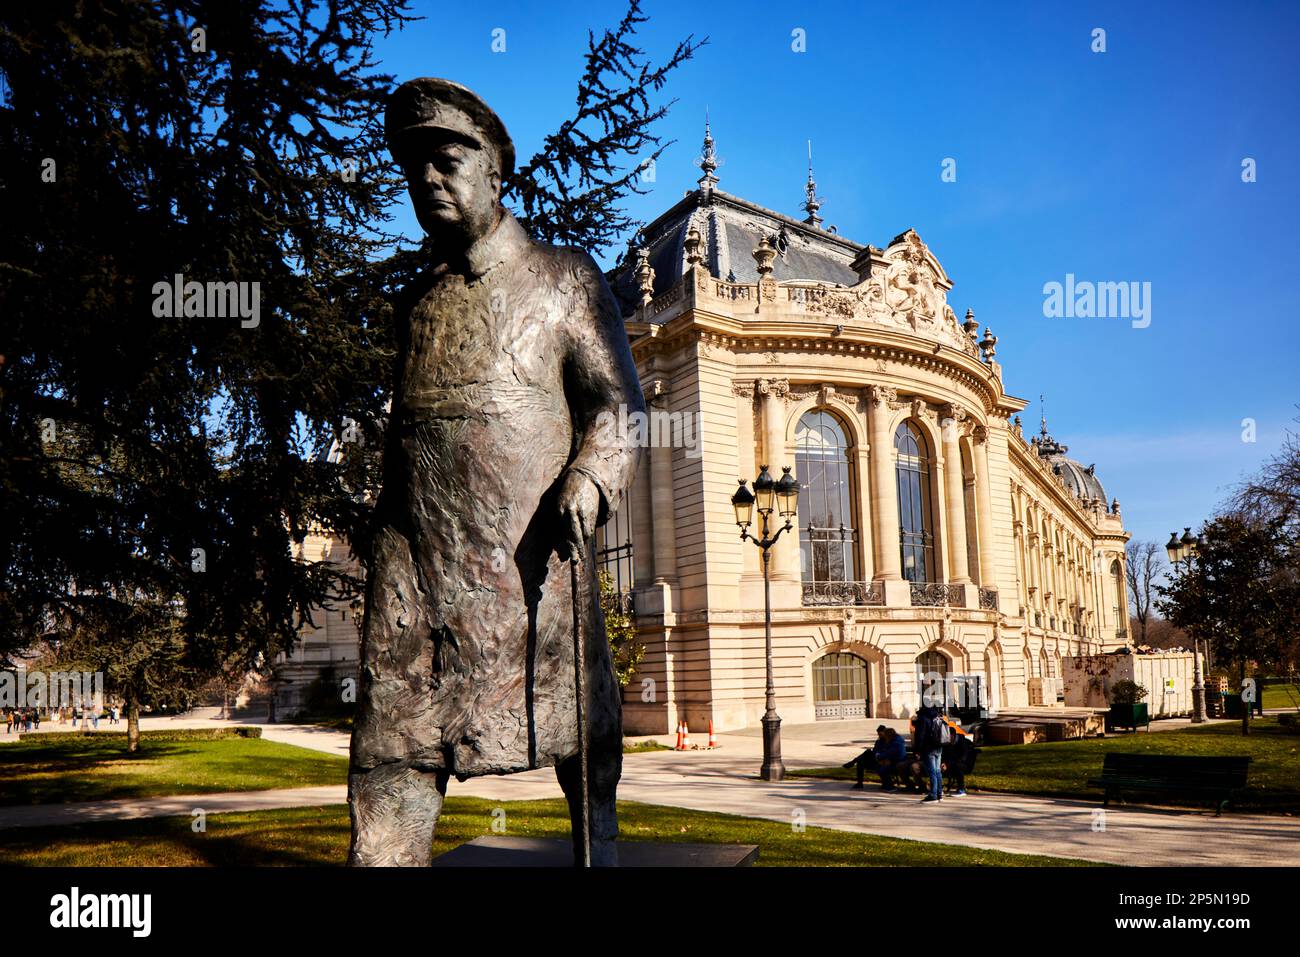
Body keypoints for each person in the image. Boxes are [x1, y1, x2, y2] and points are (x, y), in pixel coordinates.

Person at [348, 78, 644, 867]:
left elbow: (618, 404)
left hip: (528, 556)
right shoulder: (415, 304)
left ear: (494, 173)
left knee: (577, 726)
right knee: (390, 749)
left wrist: (590, 476)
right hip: (415, 568)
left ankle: (599, 839)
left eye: (446, 162)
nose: (428, 181)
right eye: (415, 171)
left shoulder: (564, 278)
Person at [912, 703, 947, 803]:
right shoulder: (937, 716)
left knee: (932, 771)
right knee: (937, 771)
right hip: (939, 746)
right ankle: (939, 793)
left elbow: (920, 736)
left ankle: (933, 795)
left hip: (929, 748)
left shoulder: (923, 718)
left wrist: (918, 750)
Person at [941, 726, 978, 796]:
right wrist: (943, 763)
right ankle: (937, 788)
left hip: (964, 764)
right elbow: (944, 756)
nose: (946, 737)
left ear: (953, 735)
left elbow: (962, 758)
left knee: (958, 766)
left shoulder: (963, 743)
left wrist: (948, 764)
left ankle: (961, 789)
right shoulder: (947, 744)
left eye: (947, 736)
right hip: (951, 764)